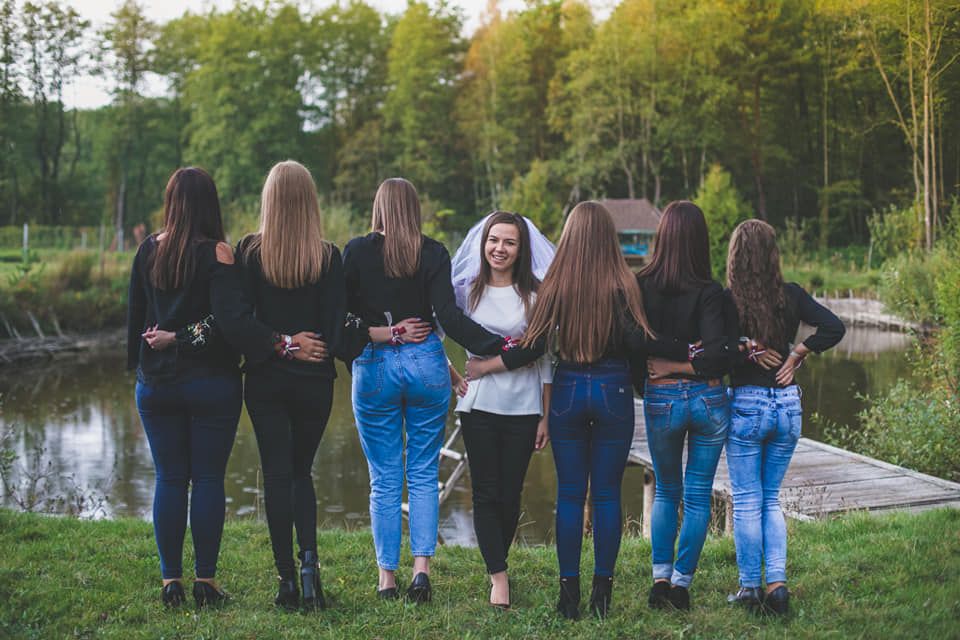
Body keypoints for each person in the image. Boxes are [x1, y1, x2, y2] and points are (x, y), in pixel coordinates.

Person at [467, 201, 682, 619]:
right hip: (613, 388)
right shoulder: (624, 284)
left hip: (567, 389)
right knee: (606, 494)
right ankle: (602, 594)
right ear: (608, 238)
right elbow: (639, 343)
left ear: (569, 237)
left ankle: (569, 596)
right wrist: (683, 355)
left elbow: (532, 347)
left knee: (569, 494)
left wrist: (486, 364)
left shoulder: (555, 285)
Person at [342, 178, 512, 603]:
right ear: (414, 209)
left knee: (384, 478)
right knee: (421, 473)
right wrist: (500, 345)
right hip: (426, 365)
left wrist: (379, 337)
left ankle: (386, 579)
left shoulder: (356, 252)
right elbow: (449, 319)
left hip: (374, 365)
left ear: (379, 207)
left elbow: (342, 321)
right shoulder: (433, 252)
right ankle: (421, 574)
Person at [127, 167, 283, 608]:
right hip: (211, 383)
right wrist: (273, 344)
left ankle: (170, 582)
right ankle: (206, 582)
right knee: (209, 478)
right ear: (209, 203)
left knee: (170, 478)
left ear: (171, 202)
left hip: (156, 385)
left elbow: (135, 319)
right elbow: (228, 323)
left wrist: (144, 365)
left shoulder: (148, 249)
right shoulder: (219, 253)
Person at [234, 160, 345, 610]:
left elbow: (239, 321)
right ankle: (309, 571)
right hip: (314, 381)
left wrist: (279, 343)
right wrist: (302, 345)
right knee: (301, 473)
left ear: (270, 200)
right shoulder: (329, 257)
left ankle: (286, 581)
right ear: (310, 201)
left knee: (277, 475)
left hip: (265, 380)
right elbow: (335, 329)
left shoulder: (249, 253)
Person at [723, 219, 844, 615]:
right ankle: (777, 587)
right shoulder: (790, 295)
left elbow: (714, 349)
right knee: (769, 498)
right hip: (788, 405)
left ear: (736, 256)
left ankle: (749, 588)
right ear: (773, 254)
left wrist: (745, 348)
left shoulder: (728, 300)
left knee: (747, 500)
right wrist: (797, 353)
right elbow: (834, 327)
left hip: (748, 405)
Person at [447, 210, 555, 609]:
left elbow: (544, 358)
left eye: (509, 242)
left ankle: (498, 560)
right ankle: (499, 576)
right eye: (494, 240)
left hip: (523, 406)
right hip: (478, 405)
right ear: (483, 243)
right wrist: (452, 375)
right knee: (485, 491)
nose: (499, 248)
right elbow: (435, 331)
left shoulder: (536, 296)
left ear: (521, 249)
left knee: (511, 493)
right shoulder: (466, 291)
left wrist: (545, 416)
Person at [634, 200, 732, 611]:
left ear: (662, 237)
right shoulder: (711, 292)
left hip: (662, 396)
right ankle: (681, 585)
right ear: (699, 240)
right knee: (696, 495)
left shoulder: (640, 285)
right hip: (708, 398)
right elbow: (718, 356)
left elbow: (636, 344)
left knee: (666, 490)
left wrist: (664, 367)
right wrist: (693, 355)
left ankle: (660, 579)